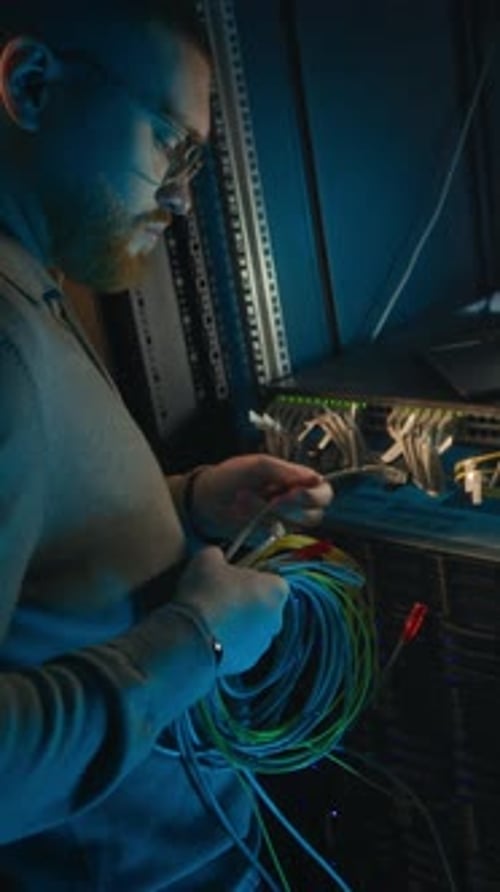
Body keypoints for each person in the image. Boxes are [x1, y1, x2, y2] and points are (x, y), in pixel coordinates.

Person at [0, 1, 333, 889]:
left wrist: (188, 501)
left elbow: (47, 568)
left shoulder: (32, 286)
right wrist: (201, 638)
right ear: (30, 85)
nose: (182, 198)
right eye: (165, 142)